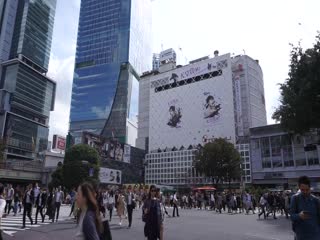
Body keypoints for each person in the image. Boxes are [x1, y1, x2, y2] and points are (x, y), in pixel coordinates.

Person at [290, 176, 320, 240]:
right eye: (302, 190)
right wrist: (299, 216)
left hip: (315, 234)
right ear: (299, 187)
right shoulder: (295, 198)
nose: (305, 192)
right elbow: (292, 216)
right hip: (301, 235)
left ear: (310, 187)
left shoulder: (316, 200)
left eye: (307, 189)